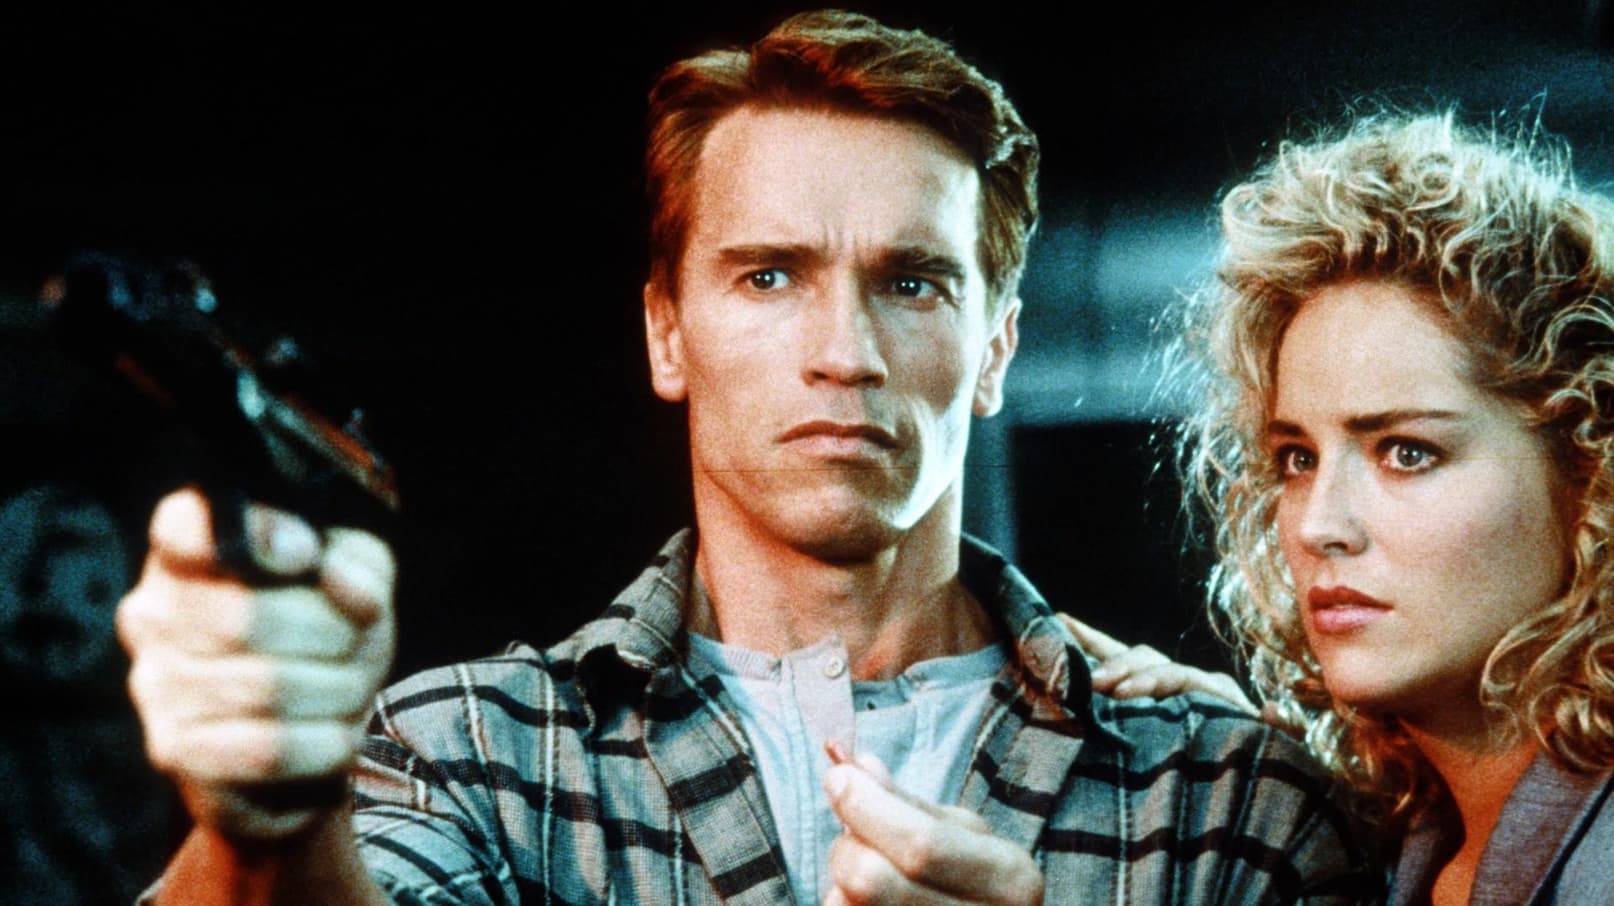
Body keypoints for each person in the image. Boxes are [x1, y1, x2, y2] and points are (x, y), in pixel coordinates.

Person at [118, 11, 1375, 904]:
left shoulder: (1222, 797)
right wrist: (266, 831)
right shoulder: (480, 754)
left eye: (913, 282)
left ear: (995, 348)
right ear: (668, 332)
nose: (844, 353)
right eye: (769, 276)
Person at [1179, 110, 1614, 904]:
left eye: (1406, 452)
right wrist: (1207, 754)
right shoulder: (1416, 843)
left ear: (1589, 475)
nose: (1320, 526)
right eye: (1297, 459)